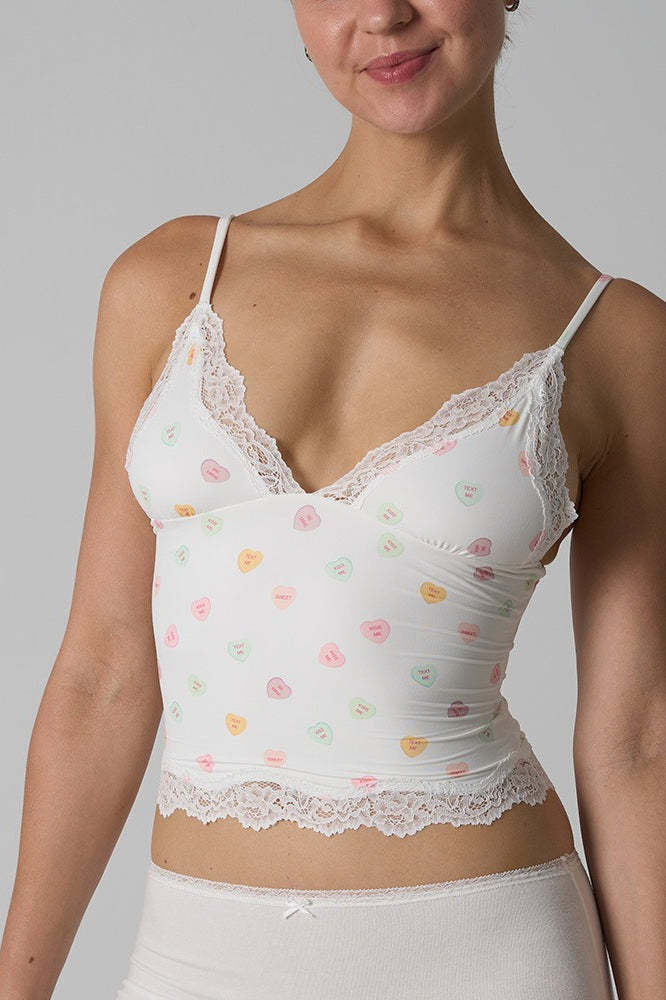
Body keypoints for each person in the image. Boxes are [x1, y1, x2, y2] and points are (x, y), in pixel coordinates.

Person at [1, 2, 664, 998]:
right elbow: (102, 674)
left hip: (489, 952)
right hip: (199, 955)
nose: (383, 14)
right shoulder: (170, 282)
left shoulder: (616, 339)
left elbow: (637, 743)